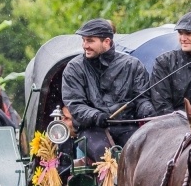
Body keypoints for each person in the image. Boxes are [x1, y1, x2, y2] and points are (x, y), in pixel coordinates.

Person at [61, 18, 155, 162]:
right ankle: (109, 183)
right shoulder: (74, 68)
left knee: (145, 154)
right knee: (105, 156)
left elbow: (142, 98)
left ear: (107, 42)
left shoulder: (132, 65)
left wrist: (148, 111)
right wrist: (96, 116)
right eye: (84, 40)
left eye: (90, 41)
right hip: (91, 130)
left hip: (127, 126)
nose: (85, 45)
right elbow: (75, 104)